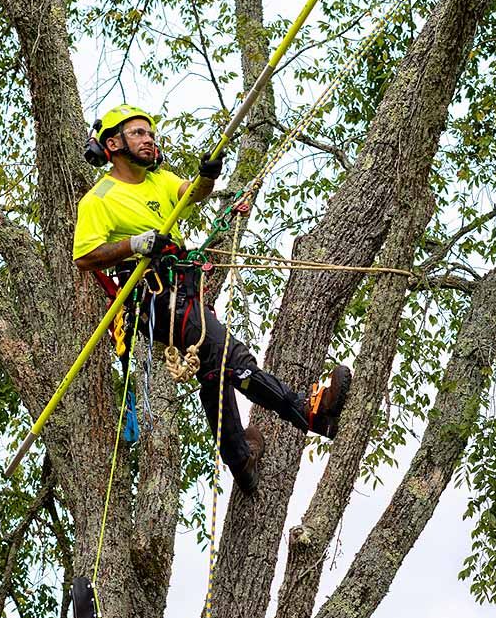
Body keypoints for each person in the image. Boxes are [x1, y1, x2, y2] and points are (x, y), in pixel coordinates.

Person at [73, 104, 351, 493]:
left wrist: (208, 175)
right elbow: (85, 256)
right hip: (153, 296)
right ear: (113, 144)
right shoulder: (99, 198)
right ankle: (310, 414)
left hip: (183, 287)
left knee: (213, 370)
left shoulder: (160, 180)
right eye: (137, 133)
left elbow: (193, 193)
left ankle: (239, 458)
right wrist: (134, 244)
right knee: (228, 354)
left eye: (150, 133)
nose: (148, 139)